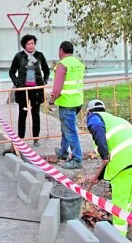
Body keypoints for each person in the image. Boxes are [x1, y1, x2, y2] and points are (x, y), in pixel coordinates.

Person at [85, 99, 132, 237]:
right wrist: (101, 176)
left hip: (125, 160)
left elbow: (96, 128)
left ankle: (119, 234)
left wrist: (103, 154)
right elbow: (109, 156)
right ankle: (127, 219)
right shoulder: (112, 119)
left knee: (119, 199)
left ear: (88, 112)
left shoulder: (94, 118)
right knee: (127, 194)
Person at [47, 41, 85, 169]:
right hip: (77, 101)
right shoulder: (78, 63)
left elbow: (57, 89)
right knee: (66, 129)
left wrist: (51, 101)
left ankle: (77, 159)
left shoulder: (62, 65)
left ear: (61, 50)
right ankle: (63, 152)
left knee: (70, 131)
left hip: (67, 102)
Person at [9, 34, 50, 147]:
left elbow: (46, 70)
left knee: (36, 114)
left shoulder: (39, 55)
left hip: (36, 90)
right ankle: (20, 138)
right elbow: (11, 71)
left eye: (32, 43)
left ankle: (36, 138)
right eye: (28, 44)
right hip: (23, 89)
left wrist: (44, 81)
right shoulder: (19, 56)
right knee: (22, 114)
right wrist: (17, 82)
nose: (31, 46)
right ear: (24, 45)